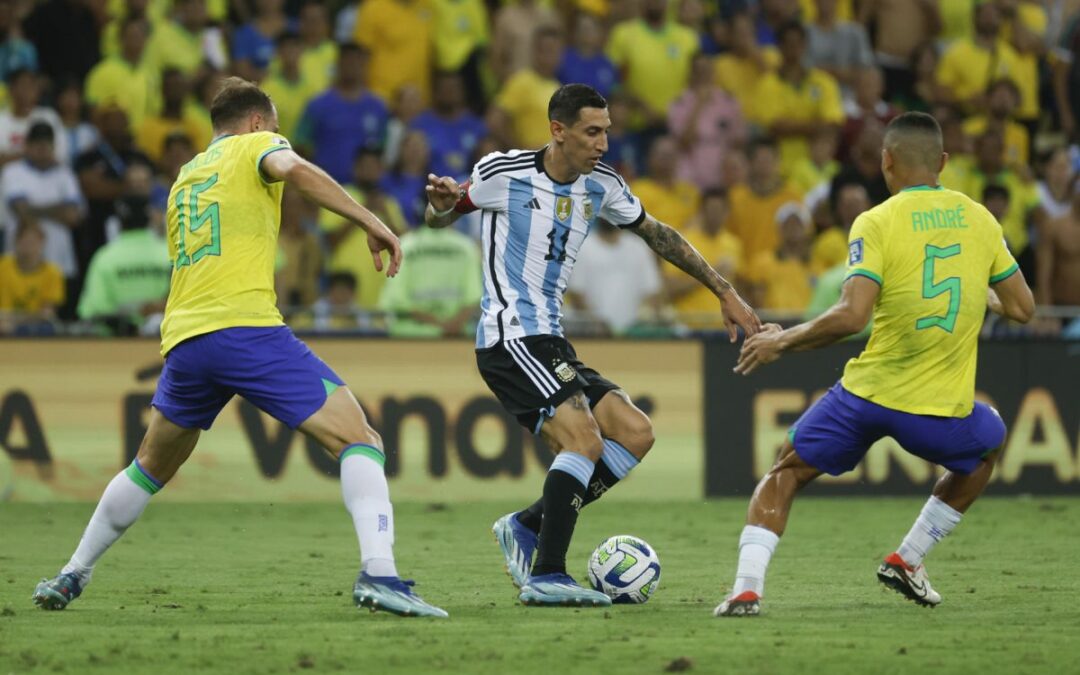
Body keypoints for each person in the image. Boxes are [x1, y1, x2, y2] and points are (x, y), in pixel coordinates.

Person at [33, 77, 447, 619]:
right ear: (256, 123)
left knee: (148, 466)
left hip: (185, 339)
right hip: (244, 328)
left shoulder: (186, 176)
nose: (279, 141)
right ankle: (381, 574)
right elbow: (295, 171)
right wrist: (372, 221)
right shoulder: (257, 146)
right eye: (275, 131)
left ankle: (72, 573)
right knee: (359, 439)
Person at [424, 83, 761, 606]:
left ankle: (528, 523)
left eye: (606, 131)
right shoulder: (503, 172)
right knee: (583, 439)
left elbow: (658, 234)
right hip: (511, 335)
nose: (603, 143)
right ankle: (547, 574)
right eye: (592, 132)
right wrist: (441, 206)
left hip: (551, 338)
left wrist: (724, 290)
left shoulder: (602, 185)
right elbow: (442, 212)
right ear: (558, 131)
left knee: (635, 433)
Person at [715, 112, 1035, 617]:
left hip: (867, 396)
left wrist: (783, 342)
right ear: (944, 163)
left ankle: (745, 590)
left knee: (786, 470)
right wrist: (986, 299)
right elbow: (1023, 308)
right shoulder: (981, 219)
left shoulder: (877, 220)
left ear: (886, 161)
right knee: (987, 444)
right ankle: (908, 557)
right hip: (938, 413)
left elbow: (851, 315)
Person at [77, 163, 172, 335]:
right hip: (166, 345)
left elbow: (91, 310)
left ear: (119, 220)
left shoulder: (105, 257)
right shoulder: (169, 253)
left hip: (116, 348)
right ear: (149, 217)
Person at [0, 122, 82, 283]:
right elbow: (22, 212)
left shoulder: (65, 174)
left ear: (53, 147)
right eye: (38, 146)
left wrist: (34, 208)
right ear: (28, 146)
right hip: (19, 262)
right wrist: (59, 208)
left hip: (58, 259)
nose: (42, 151)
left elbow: (73, 216)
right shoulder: (13, 171)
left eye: (46, 146)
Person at [296, 43, 389, 184]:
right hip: (325, 190)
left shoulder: (377, 107)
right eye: (347, 61)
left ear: (364, 64)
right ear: (338, 64)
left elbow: (384, 150)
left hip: (363, 192)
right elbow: (300, 145)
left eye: (356, 61)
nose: (351, 66)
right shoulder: (318, 105)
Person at [378, 225, 483, 338]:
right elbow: (474, 296)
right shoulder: (466, 247)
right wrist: (452, 326)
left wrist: (438, 325)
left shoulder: (404, 246)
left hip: (410, 336)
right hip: (456, 336)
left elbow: (396, 299)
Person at [566, 218, 666, 334]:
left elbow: (652, 291)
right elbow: (577, 294)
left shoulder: (638, 247)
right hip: (593, 334)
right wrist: (597, 325)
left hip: (633, 332)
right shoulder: (583, 247)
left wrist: (640, 324)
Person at [0, 222, 64, 332]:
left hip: (34, 327)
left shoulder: (52, 272)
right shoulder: (3, 266)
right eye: (24, 241)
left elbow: (47, 314)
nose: (28, 247)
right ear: (16, 242)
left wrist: (13, 320)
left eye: (33, 242)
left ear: (42, 243)